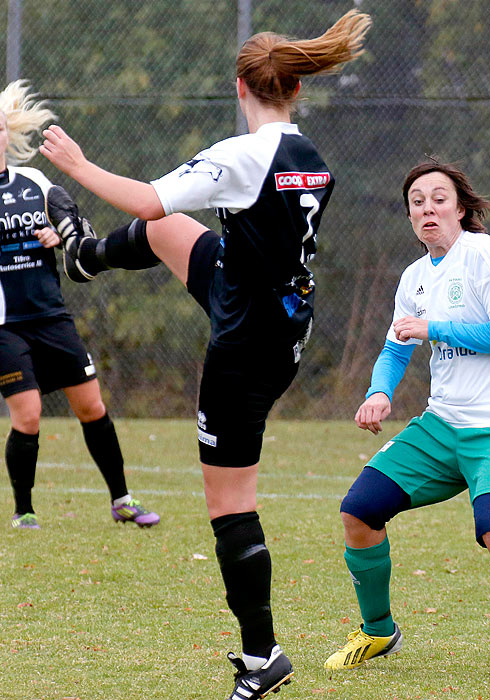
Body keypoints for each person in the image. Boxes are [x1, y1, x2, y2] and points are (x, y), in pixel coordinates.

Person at [38, 11, 371, 698]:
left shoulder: (243, 157)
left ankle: (262, 657)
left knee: (229, 505)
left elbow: (145, 197)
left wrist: (76, 165)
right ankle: (83, 259)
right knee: (172, 234)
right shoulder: (312, 158)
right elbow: (173, 220)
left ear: (241, 86)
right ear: (294, 90)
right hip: (274, 309)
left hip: (246, 343)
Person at [324, 159, 490, 682]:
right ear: (409, 215)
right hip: (441, 425)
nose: (427, 208)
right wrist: (380, 392)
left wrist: (435, 328)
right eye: (417, 201)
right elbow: (395, 347)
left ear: (460, 207)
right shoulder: (414, 277)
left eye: (438, 198)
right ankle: (378, 630)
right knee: (358, 511)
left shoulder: (486, 255)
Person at [0, 80, 159, 531]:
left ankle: (122, 501)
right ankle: (24, 510)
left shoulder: (33, 182)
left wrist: (59, 234)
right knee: (28, 414)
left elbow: (74, 225)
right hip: (5, 326)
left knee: (91, 407)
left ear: (7, 133)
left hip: (51, 317)